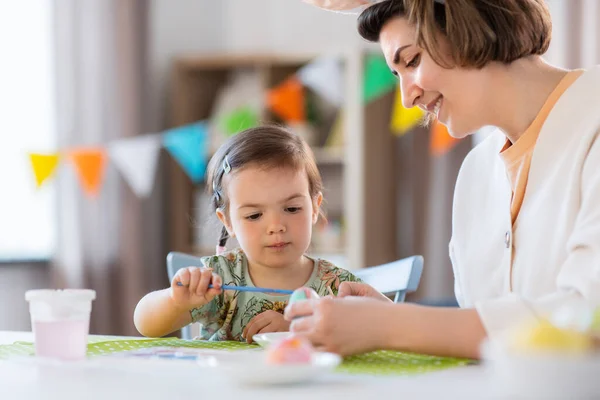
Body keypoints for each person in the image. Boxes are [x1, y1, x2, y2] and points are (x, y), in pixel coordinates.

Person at [285, 0, 600, 358]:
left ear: (469, 23)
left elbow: (587, 319)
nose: (407, 98)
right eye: (396, 73)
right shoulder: (476, 174)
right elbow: (484, 332)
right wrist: (389, 320)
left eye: (413, 61)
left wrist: (390, 326)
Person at [134, 126, 360, 342]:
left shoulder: (336, 286)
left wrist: (298, 331)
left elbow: (375, 334)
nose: (276, 227)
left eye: (292, 209)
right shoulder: (220, 279)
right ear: (229, 222)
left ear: (315, 208)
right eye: (254, 215)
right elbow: (144, 323)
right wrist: (175, 301)